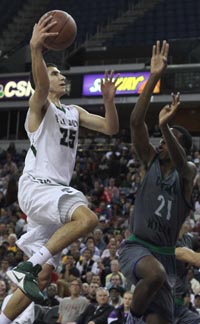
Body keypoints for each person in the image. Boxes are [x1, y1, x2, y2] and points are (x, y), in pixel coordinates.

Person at [0, 13, 121, 324]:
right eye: (55, 73)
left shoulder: (74, 110)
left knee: (40, 280)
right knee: (88, 217)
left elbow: (110, 127)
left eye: (61, 73)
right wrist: (36, 50)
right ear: (44, 79)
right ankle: (27, 265)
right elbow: (39, 86)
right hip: (39, 186)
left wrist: (108, 100)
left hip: (50, 194)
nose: (61, 76)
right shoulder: (40, 107)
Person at [118, 40, 196, 324]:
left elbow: (181, 161)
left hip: (165, 256)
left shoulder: (187, 174)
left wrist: (166, 127)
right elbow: (136, 123)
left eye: (168, 141)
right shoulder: (149, 161)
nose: (161, 144)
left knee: (160, 318)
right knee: (155, 275)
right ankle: (130, 319)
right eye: (162, 140)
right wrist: (153, 78)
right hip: (137, 246)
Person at [174, 221, 200, 323]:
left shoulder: (189, 238)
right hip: (168, 299)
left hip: (182, 299)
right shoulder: (168, 242)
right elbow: (196, 260)